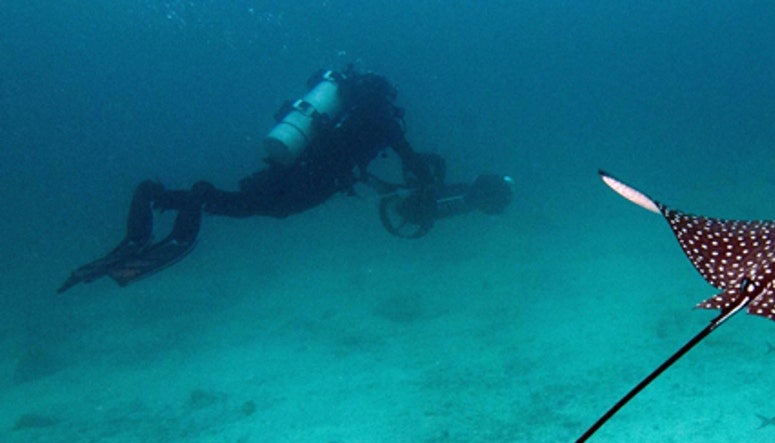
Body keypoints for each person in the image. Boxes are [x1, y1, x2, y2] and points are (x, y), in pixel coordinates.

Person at [59, 64, 512, 293]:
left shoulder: (342, 113)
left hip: (291, 164)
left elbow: (366, 164)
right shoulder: (380, 119)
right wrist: (426, 179)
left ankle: (162, 197)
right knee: (261, 207)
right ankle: (189, 198)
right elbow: (409, 159)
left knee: (248, 202)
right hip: (309, 180)